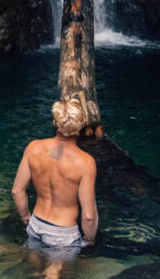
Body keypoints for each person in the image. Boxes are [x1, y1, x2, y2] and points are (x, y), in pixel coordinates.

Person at [11, 97, 98, 259]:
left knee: (35, 269)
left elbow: (17, 191)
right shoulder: (86, 162)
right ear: (80, 128)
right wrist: (89, 239)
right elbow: (88, 215)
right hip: (63, 233)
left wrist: (26, 219)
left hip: (36, 224)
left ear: (54, 122)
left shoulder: (33, 147)